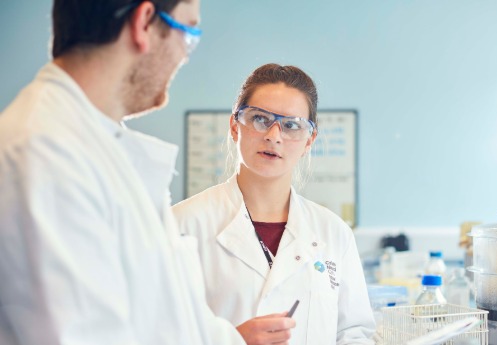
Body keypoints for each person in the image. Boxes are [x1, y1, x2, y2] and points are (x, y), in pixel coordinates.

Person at [0, 1, 294, 344]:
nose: (184, 56)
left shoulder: (96, 145)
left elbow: (162, 317)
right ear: (144, 23)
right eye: (188, 33)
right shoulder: (46, 153)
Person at [172, 63, 376, 344]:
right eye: (260, 119)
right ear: (234, 126)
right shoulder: (181, 225)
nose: (273, 135)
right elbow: (151, 331)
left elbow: (354, 333)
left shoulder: (333, 232)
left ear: (309, 141)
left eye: (292, 125)